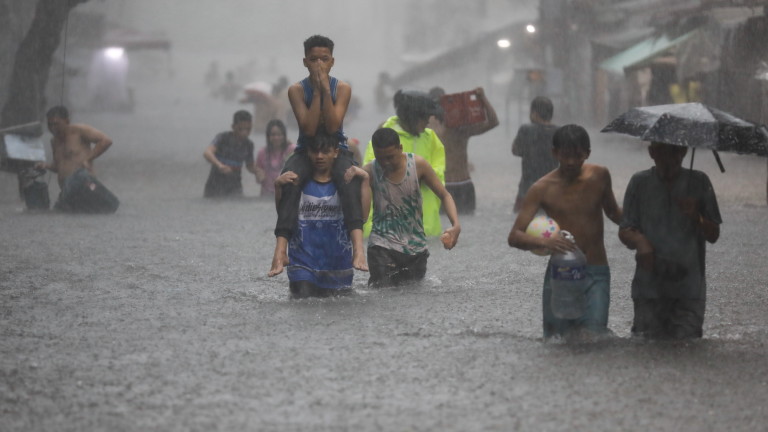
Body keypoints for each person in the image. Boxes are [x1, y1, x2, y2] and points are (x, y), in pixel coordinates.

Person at [507, 124, 622, 340]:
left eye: (577, 155)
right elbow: (515, 236)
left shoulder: (600, 176)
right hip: (561, 275)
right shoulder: (541, 188)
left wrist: (643, 226)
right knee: (556, 342)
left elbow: (615, 213)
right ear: (555, 153)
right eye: (565, 155)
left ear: (587, 153)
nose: (570, 162)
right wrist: (545, 243)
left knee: (595, 338)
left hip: (596, 272)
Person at [270, 35, 362, 276]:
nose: (319, 64)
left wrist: (325, 87)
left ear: (332, 61)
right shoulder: (296, 90)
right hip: (305, 149)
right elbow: (309, 129)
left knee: (350, 179)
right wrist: (319, 92)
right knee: (290, 180)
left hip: (336, 149)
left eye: (324, 59)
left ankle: (359, 248)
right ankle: (280, 249)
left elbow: (332, 127)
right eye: (313, 59)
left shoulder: (342, 88)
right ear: (304, 62)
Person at [618, 142, 721, 339]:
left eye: (674, 152)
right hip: (648, 288)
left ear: (683, 152)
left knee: (687, 349)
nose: (668, 159)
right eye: (661, 152)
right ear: (651, 152)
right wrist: (640, 242)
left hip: (689, 288)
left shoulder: (699, 182)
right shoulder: (639, 182)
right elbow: (625, 230)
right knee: (646, 348)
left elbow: (714, 234)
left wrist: (697, 217)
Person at [269, 132, 370, 298]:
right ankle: (280, 254)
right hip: (302, 266)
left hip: (338, 267)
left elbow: (363, 217)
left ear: (336, 152)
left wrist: (365, 180)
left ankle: (359, 252)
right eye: (315, 152)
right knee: (302, 306)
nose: (319, 156)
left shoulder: (345, 184)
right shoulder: (297, 182)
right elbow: (283, 214)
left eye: (325, 152)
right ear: (307, 152)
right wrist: (278, 187)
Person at [362, 128, 461, 287]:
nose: (385, 163)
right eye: (380, 158)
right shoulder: (369, 172)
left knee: (413, 293)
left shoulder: (418, 165)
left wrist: (455, 225)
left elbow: (445, 195)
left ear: (400, 149)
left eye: (390, 157)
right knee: (382, 293)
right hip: (381, 246)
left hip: (415, 249)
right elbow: (361, 215)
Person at [364, 90, 445, 236]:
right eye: (425, 116)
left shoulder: (431, 138)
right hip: (387, 233)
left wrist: (422, 175)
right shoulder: (385, 138)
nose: (428, 121)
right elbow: (369, 179)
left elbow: (439, 177)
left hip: (427, 230)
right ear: (413, 117)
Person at [428, 86, 499, 215]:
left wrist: (482, 98)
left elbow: (493, 122)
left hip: (461, 185)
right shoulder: (426, 127)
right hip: (446, 186)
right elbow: (493, 122)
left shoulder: (459, 126)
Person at [38, 105, 119, 213]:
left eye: (56, 124)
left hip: (84, 186)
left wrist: (88, 159)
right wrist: (46, 166)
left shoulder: (79, 130)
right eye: (50, 124)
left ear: (67, 121)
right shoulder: (54, 141)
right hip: (66, 193)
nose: (53, 128)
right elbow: (59, 167)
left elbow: (106, 141)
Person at [511, 96, 559, 213]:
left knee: (522, 224)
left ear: (534, 113)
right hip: (552, 191)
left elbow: (515, 151)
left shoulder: (526, 130)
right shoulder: (559, 132)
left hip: (527, 190)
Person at [203, 110, 258, 198]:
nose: (244, 133)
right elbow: (207, 153)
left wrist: (257, 172)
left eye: (248, 129)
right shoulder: (223, 138)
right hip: (215, 184)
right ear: (233, 127)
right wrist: (219, 165)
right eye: (240, 129)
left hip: (235, 186)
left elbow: (249, 165)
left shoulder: (249, 145)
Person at [255, 119, 295, 197]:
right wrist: (259, 176)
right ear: (268, 136)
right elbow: (258, 180)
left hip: (286, 195)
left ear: (284, 136)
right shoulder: (262, 153)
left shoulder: (290, 149)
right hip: (266, 195)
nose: (276, 138)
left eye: (279, 134)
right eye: (273, 135)